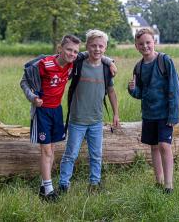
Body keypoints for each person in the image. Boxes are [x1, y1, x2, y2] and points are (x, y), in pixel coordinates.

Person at [20, 34, 116, 201]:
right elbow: (24, 80)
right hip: (45, 111)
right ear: (60, 49)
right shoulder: (52, 63)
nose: (72, 54)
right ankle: (52, 189)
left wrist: (109, 61)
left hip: (58, 111)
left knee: (55, 150)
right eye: (68, 50)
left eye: (74, 51)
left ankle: (47, 185)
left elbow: (93, 53)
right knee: (49, 150)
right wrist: (33, 98)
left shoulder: (72, 64)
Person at [59, 29, 120, 193]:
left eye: (101, 46)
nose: (97, 49)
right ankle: (63, 184)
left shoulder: (107, 69)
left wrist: (115, 113)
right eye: (93, 46)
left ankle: (94, 184)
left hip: (96, 121)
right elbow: (64, 65)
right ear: (87, 46)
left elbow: (111, 92)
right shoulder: (78, 64)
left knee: (96, 155)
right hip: (77, 120)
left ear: (105, 47)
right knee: (70, 154)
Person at [128, 28, 179, 194]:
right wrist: (132, 90)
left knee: (165, 145)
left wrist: (173, 114)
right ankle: (159, 181)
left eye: (148, 42)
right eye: (141, 44)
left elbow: (174, 88)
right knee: (154, 147)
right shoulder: (139, 67)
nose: (145, 46)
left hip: (165, 113)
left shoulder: (164, 60)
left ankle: (169, 185)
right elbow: (141, 94)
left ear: (154, 42)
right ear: (136, 46)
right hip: (149, 114)